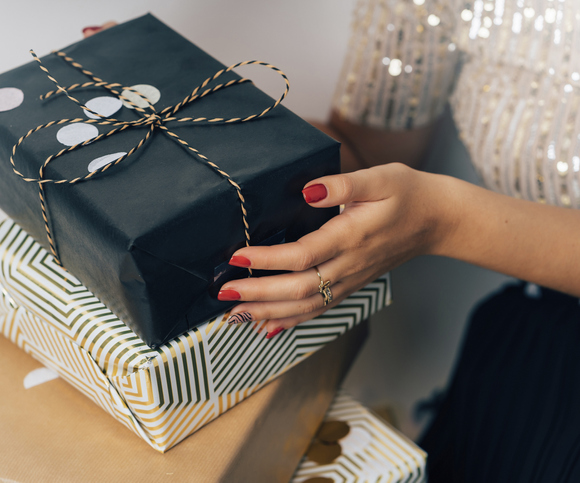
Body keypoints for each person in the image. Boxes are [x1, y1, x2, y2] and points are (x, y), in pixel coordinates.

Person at [215, 0, 580, 480]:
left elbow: (431, 211)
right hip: (533, 343)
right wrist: (218, 122)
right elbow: (367, 156)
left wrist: (446, 221)